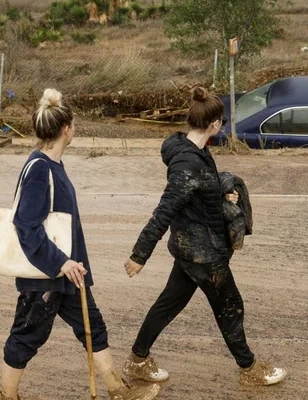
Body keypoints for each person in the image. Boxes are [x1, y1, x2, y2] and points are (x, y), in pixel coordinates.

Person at [0, 89, 160, 400]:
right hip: (48, 274)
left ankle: (116, 390)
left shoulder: (53, 165)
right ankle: (7, 395)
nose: (75, 130)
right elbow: (26, 226)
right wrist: (60, 262)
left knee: (93, 328)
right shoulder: (39, 169)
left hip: (70, 273)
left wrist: (70, 266)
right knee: (27, 335)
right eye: (73, 125)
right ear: (65, 130)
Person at [122, 86, 288, 386]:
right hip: (203, 253)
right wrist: (139, 255)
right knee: (230, 305)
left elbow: (198, 197)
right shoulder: (188, 165)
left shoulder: (195, 150)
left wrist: (225, 199)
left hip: (192, 248)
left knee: (169, 303)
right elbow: (164, 211)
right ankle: (250, 369)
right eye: (221, 123)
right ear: (214, 124)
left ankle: (137, 360)